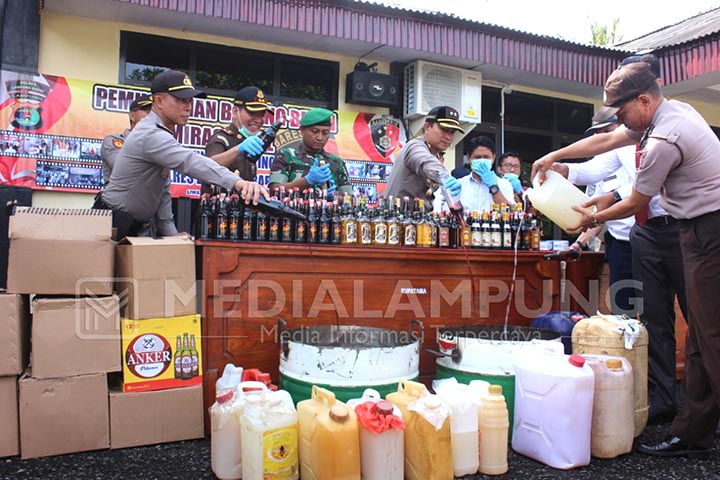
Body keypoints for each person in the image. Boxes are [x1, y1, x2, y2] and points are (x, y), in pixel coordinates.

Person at [532, 61, 720, 459]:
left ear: (644, 100)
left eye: (621, 112)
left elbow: (637, 201)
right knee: (701, 335)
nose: (619, 122)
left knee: (712, 335)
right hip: (694, 229)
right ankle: (695, 431)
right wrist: (554, 155)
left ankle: (696, 430)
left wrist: (593, 217)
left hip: (709, 231)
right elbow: (602, 144)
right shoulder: (664, 114)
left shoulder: (665, 137)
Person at [98, 70, 268, 240]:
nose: (187, 107)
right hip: (113, 224)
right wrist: (238, 183)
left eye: (189, 100)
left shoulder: (161, 133)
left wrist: (172, 234)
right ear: (159, 101)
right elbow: (190, 162)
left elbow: (162, 190)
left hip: (135, 225)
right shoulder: (151, 134)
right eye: (180, 100)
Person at [552, 117, 637, 316]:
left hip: (652, 237)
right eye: (599, 132)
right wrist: (580, 244)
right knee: (623, 309)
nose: (604, 136)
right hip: (620, 243)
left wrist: (614, 196)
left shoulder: (639, 151)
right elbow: (595, 215)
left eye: (609, 129)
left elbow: (644, 187)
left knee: (656, 308)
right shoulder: (600, 166)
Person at [385, 105, 463, 207]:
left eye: (452, 132)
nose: (448, 136)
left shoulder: (435, 155)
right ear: (427, 127)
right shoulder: (415, 146)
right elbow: (425, 161)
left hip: (417, 218)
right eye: (444, 129)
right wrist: (444, 177)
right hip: (397, 219)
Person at [268, 107, 352, 197]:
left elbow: (349, 199)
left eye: (325, 133)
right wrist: (307, 181)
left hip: (324, 210)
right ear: (302, 130)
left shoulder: (336, 162)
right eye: (315, 131)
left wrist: (331, 197)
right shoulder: (287, 155)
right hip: (291, 210)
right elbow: (274, 191)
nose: (320, 138)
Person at [203, 86, 269, 193]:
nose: (258, 120)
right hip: (218, 207)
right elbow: (207, 167)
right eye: (252, 113)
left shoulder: (250, 141)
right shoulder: (222, 138)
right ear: (235, 112)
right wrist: (238, 149)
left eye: (261, 115)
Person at [433, 134, 515, 212]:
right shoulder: (458, 185)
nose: (482, 161)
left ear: (493, 158)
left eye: (486, 157)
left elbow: (511, 213)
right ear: (469, 158)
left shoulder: (504, 185)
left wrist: (493, 187)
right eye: (478, 157)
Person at [100, 94, 153, 185]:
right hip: (119, 198)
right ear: (132, 116)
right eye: (146, 110)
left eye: (154, 112)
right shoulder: (113, 141)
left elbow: (165, 190)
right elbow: (120, 165)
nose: (151, 115)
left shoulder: (157, 145)